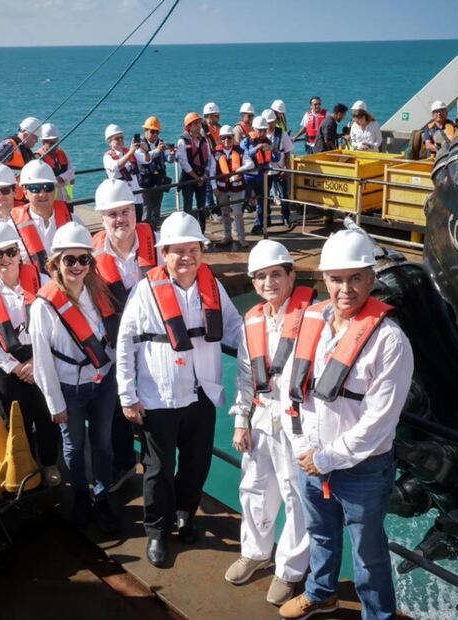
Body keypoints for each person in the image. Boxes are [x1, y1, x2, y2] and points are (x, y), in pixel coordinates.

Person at [278, 229, 413, 620]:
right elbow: (291, 391)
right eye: (336, 278)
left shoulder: (390, 341)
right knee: (319, 533)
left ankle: (378, 616)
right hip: (311, 459)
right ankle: (321, 593)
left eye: (355, 278)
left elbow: (380, 421)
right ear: (324, 280)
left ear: (372, 280)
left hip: (361, 469)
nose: (345, 288)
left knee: (367, 553)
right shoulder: (312, 323)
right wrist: (303, 447)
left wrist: (326, 457)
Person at [116, 211, 243, 567]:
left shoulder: (213, 286)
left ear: (201, 251)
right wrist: (128, 396)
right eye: (177, 251)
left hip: (202, 391)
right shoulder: (144, 291)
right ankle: (157, 529)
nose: (186, 258)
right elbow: (125, 343)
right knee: (157, 468)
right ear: (163, 254)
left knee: (196, 460)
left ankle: (186, 513)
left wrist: (268, 354)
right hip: (158, 396)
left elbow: (234, 328)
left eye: (193, 249)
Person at [225, 240, 312, 606]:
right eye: (261, 277)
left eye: (276, 274)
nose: (269, 282)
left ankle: (289, 569)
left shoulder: (315, 317)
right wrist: (240, 420)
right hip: (262, 417)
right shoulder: (253, 320)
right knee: (255, 489)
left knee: (296, 495)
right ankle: (256, 552)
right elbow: (246, 376)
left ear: (291, 276)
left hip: (299, 422)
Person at [31, 222, 121, 533]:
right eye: (70, 260)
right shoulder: (43, 306)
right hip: (69, 387)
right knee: (74, 445)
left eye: (85, 259)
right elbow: (42, 359)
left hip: (104, 380)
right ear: (55, 263)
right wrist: (55, 402)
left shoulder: (99, 291)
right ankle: (81, 496)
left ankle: (102, 495)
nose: (78, 266)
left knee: (103, 443)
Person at [0, 220, 61, 488]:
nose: (6, 259)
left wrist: (38, 362)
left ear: (19, 251)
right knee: (18, 418)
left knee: (47, 414)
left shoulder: (42, 280)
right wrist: (14, 366)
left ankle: (49, 463)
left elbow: (55, 324)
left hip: (39, 355)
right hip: (7, 365)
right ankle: (25, 464)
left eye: (11, 252)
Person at [90, 179, 159, 494]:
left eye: (125, 212)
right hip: (115, 345)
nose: (120, 220)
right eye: (112, 214)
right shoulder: (87, 257)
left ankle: (154, 468)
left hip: (155, 345)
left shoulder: (157, 243)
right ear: (102, 219)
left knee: (154, 409)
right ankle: (124, 463)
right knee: (119, 407)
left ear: (135, 212)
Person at [13, 159, 77, 275]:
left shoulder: (74, 221)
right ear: (25, 191)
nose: (42, 194)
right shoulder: (12, 227)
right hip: (33, 289)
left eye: (48, 187)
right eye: (35, 189)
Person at [209, 124, 254, 248]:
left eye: (229, 137)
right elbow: (212, 172)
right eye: (223, 138)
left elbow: (250, 164)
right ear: (220, 139)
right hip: (221, 189)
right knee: (224, 213)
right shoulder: (215, 153)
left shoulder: (240, 151)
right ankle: (227, 236)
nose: (226, 140)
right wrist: (214, 187)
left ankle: (241, 238)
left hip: (236, 188)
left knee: (238, 213)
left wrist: (239, 169)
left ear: (233, 138)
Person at [241, 115, 279, 235]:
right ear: (254, 129)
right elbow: (244, 156)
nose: (262, 133)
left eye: (264, 130)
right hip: (248, 176)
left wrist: (274, 150)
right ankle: (237, 226)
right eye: (260, 130)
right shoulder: (246, 141)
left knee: (261, 202)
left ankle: (258, 226)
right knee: (243, 201)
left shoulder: (268, 142)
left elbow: (275, 158)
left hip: (261, 176)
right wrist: (257, 148)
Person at [176, 112, 213, 234]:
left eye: (199, 123)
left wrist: (204, 175)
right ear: (189, 126)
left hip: (202, 176)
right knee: (188, 206)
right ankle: (187, 232)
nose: (199, 125)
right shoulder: (182, 141)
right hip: (189, 178)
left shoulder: (204, 140)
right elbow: (183, 162)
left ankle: (201, 231)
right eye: (195, 123)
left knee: (202, 206)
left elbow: (209, 158)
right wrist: (196, 177)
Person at [136, 116, 173, 231]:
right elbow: (142, 158)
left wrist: (172, 153)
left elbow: (169, 159)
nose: (155, 134)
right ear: (145, 131)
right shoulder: (139, 144)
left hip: (158, 182)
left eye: (157, 132)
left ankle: (154, 232)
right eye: (152, 131)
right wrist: (156, 151)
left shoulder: (161, 143)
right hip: (145, 183)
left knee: (156, 211)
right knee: (146, 212)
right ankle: (145, 234)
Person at [103, 124, 146, 222]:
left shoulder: (129, 151)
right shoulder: (107, 156)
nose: (120, 140)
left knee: (138, 222)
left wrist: (146, 151)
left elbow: (146, 160)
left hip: (136, 196)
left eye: (121, 138)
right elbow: (116, 166)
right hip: (121, 199)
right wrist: (131, 152)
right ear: (109, 142)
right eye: (117, 138)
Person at [263, 108, 295, 226]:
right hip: (265, 171)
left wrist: (286, 170)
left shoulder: (282, 134)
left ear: (275, 121)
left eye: (271, 122)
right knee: (265, 195)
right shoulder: (259, 135)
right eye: (267, 122)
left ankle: (285, 217)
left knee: (284, 194)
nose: (269, 125)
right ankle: (267, 218)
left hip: (280, 169)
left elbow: (287, 153)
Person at [37, 123, 76, 201]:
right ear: (43, 142)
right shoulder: (38, 157)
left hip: (66, 199)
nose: (54, 145)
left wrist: (60, 178)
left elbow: (71, 172)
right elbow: (44, 180)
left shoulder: (62, 153)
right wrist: (62, 179)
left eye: (56, 142)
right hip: (51, 202)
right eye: (51, 143)